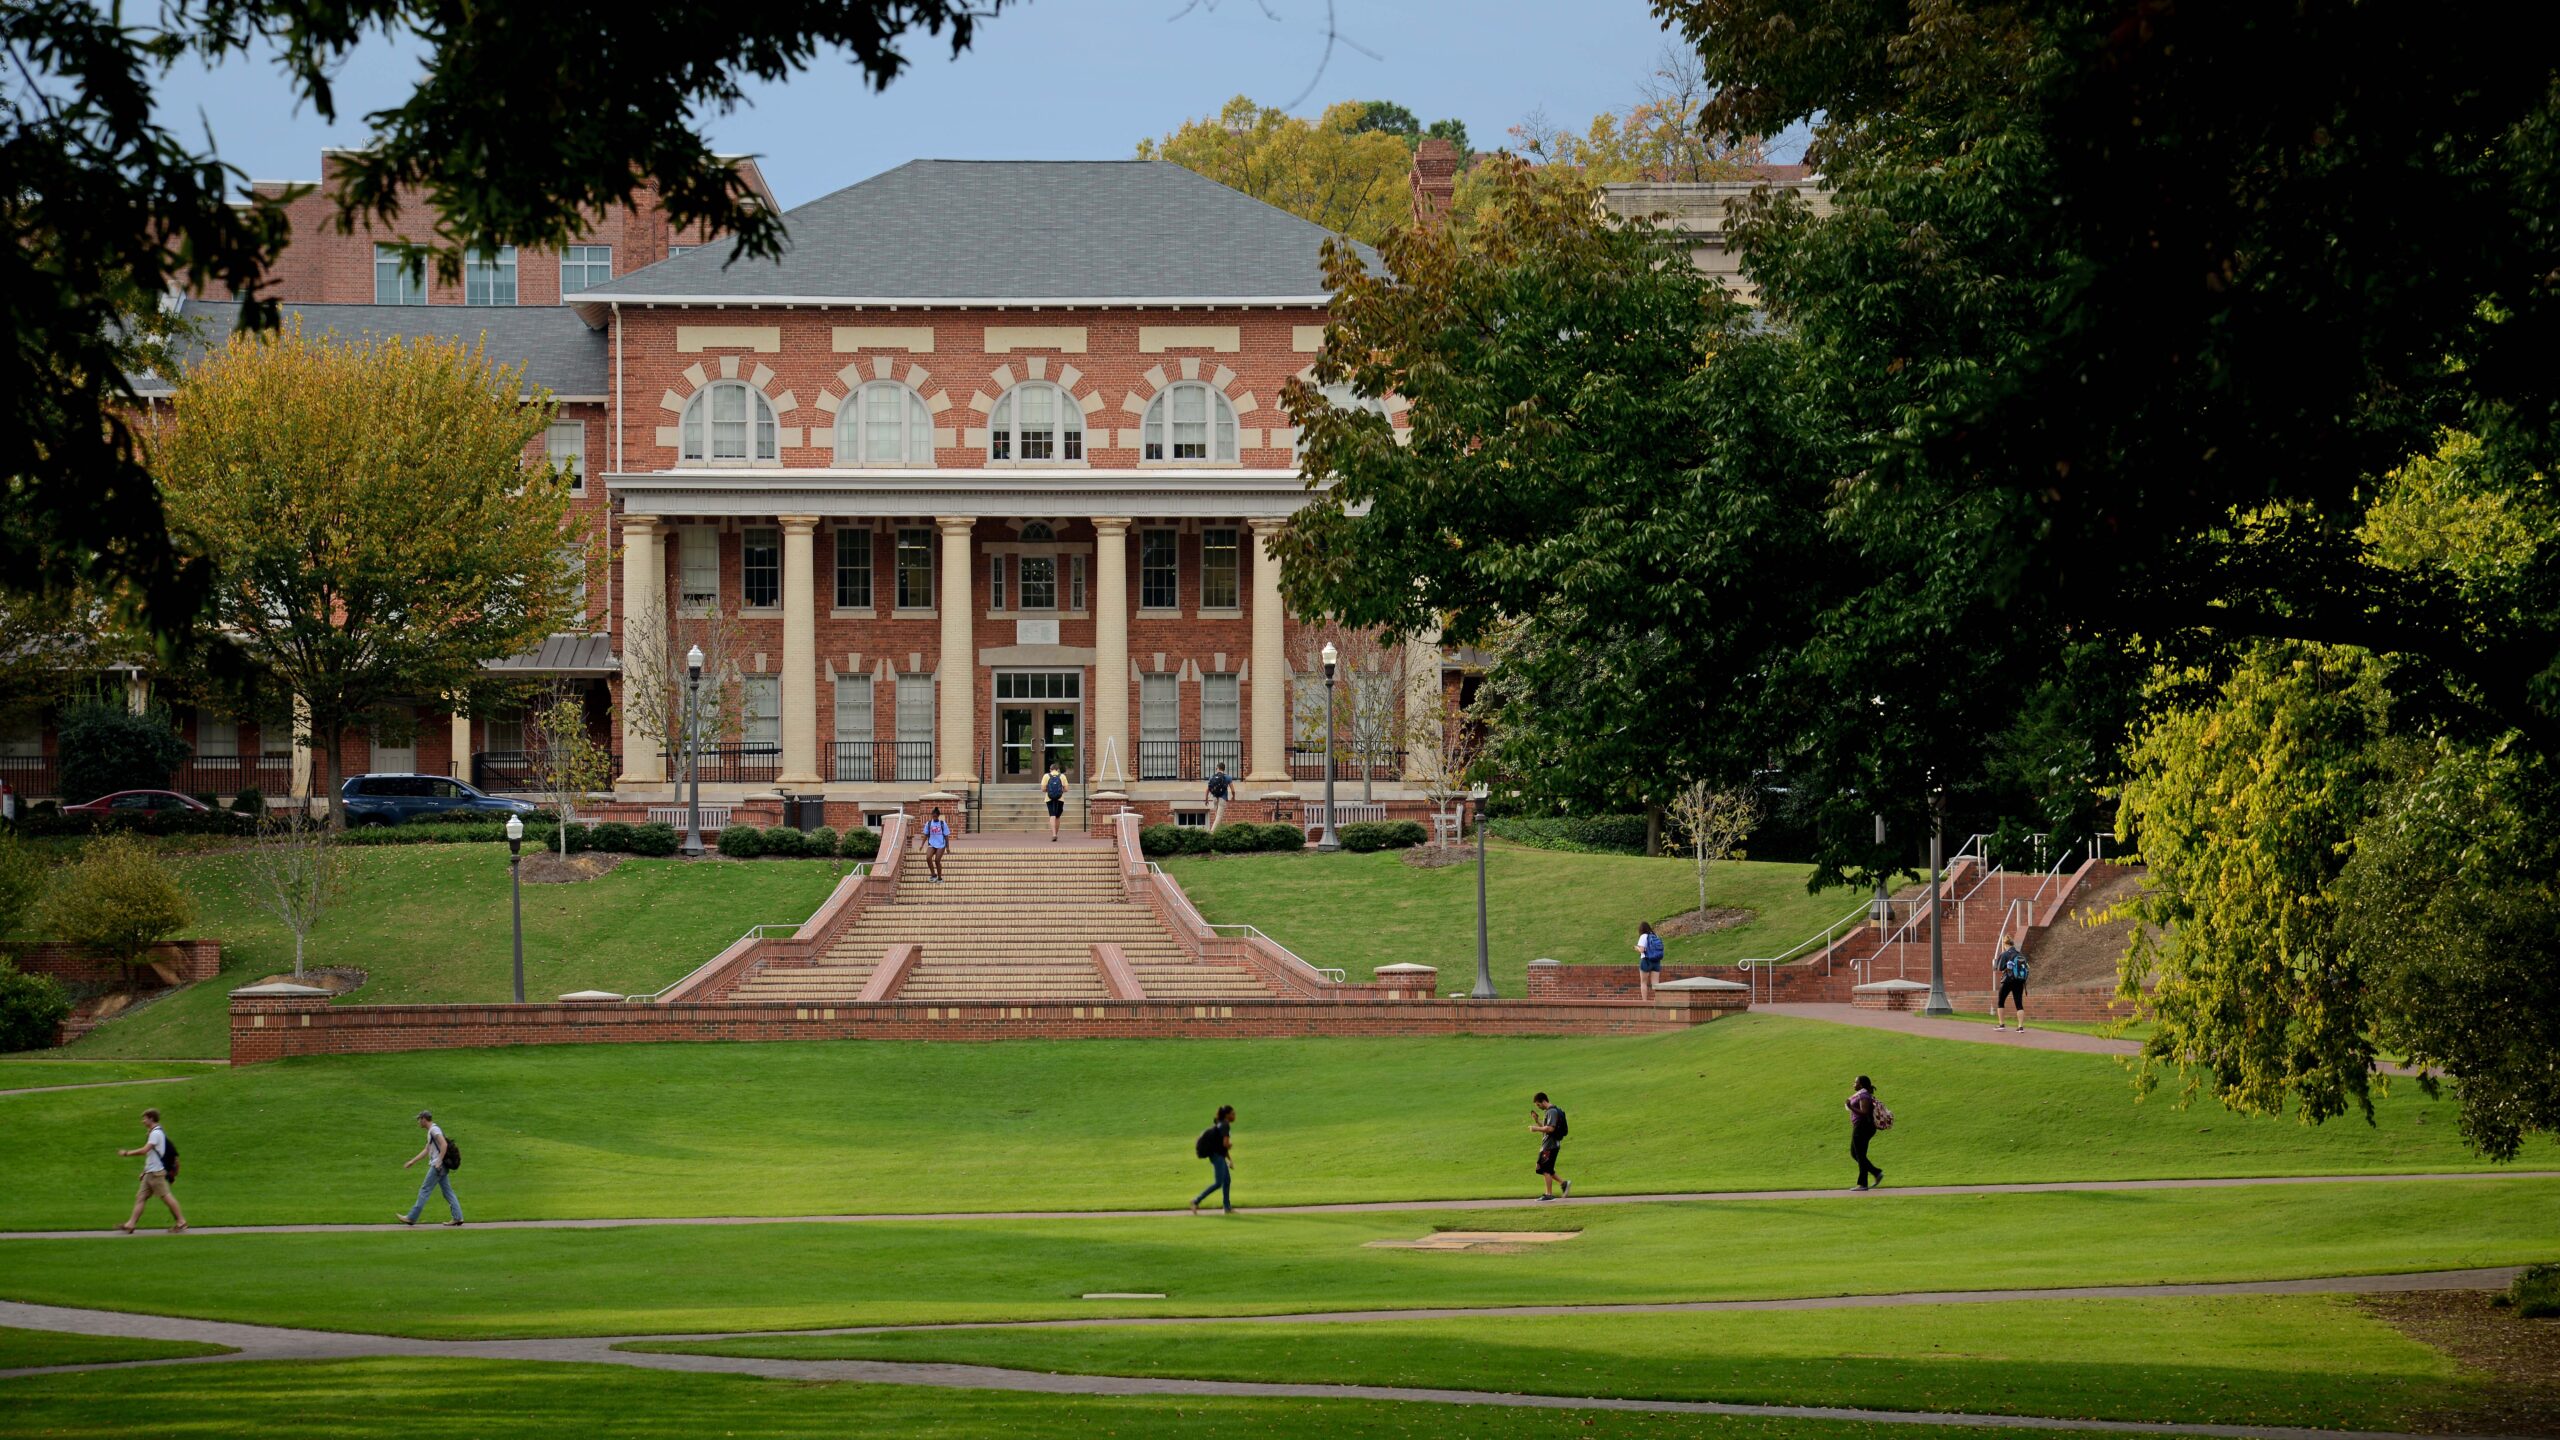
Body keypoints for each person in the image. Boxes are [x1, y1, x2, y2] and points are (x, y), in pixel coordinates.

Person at [117, 1107, 185, 1233]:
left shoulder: (156, 1133)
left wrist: (127, 1153)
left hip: (156, 1173)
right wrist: (144, 1171)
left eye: (145, 1118)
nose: (142, 1121)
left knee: (166, 1197)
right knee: (140, 1197)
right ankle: (130, 1224)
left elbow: (144, 1150)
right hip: (150, 1172)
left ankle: (181, 1222)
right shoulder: (155, 1132)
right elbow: (152, 1156)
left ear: (151, 1119)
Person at [397, 1109, 463, 1227]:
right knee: (447, 1192)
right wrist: (413, 1161)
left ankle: (411, 1217)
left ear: (424, 1119)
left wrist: (438, 1160)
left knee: (424, 1190)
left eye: (419, 1119)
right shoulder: (431, 1131)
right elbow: (427, 1150)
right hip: (441, 1166)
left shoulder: (434, 1130)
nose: (418, 1122)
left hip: (437, 1167)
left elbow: (444, 1144)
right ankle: (458, 1217)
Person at [1190, 1104, 1236, 1214]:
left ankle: (1227, 1208)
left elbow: (1221, 1146)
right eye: (1233, 1114)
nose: (1234, 1116)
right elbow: (1225, 1144)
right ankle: (1196, 1200)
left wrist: (1229, 1159)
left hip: (1217, 1155)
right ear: (1227, 1115)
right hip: (1217, 1156)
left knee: (1227, 1180)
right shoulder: (1225, 1125)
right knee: (1218, 1183)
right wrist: (1230, 1145)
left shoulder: (1220, 1124)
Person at [1529, 1091, 1571, 1201]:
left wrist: (1535, 1128)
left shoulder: (1551, 1111)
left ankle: (1549, 1194)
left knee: (1544, 1169)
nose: (1538, 1107)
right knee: (1547, 1169)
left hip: (1549, 1145)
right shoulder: (1552, 1111)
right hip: (1551, 1145)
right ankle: (1564, 1183)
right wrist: (1537, 1121)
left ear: (1543, 1101)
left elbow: (1550, 1129)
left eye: (1538, 1105)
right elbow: (1547, 1127)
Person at [1846, 1075, 1885, 1190]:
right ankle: (1876, 1173)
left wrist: (1850, 1107)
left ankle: (1863, 1184)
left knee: (1860, 1155)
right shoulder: (1863, 1094)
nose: (1853, 1084)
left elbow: (1864, 1112)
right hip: (1863, 1127)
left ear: (1861, 1085)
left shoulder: (1863, 1095)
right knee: (1855, 1154)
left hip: (1863, 1127)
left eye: (1855, 1082)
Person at [1992, 937, 2030, 1031]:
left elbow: (2000, 968)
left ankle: (2001, 1025)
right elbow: (2027, 967)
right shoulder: (2020, 954)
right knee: (2019, 1003)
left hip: (2008, 980)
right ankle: (2020, 1026)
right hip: (2019, 981)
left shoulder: (2004, 954)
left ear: (2005, 944)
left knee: (2001, 1002)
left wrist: (2006, 966)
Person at [1634, 921, 1665, 1000]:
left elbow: (1642, 950)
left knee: (1643, 982)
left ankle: (1644, 1001)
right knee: (1655, 983)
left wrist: (1636, 948)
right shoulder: (1655, 935)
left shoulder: (1643, 936)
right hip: (1656, 960)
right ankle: (1657, 1000)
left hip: (1646, 960)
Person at [921, 806, 950, 882]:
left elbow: (946, 836)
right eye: (933, 816)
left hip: (941, 844)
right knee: (928, 858)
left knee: (937, 860)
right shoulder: (929, 823)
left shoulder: (943, 824)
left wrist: (947, 847)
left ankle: (940, 878)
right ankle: (933, 874)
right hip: (932, 843)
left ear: (938, 816)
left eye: (935, 816)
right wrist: (922, 845)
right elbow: (926, 835)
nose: (934, 817)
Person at [1043, 762, 1068, 842]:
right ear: (1058, 770)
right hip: (1060, 799)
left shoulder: (1046, 776)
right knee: (1057, 816)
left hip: (1049, 798)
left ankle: (1053, 834)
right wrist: (1059, 791)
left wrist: (1050, 791)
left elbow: (1043, 789)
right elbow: (1066, 789)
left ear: (1050, 769)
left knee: (1052, 815)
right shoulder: (1062, 776)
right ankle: (1056, 834)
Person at [1205, 763, 1232, 831]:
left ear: (1218, 768)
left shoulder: (1212, 777)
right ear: (1224, 769)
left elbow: (1208, 789)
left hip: (1214, 798)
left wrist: (1206, 799)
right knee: (1219, 817)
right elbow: (1233, 790)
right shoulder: (1228, 777)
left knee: (1217, 816)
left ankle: (1217, 832)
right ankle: (1212, 832)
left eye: (1216, 768)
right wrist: (1233, 797)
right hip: (1222, 798)